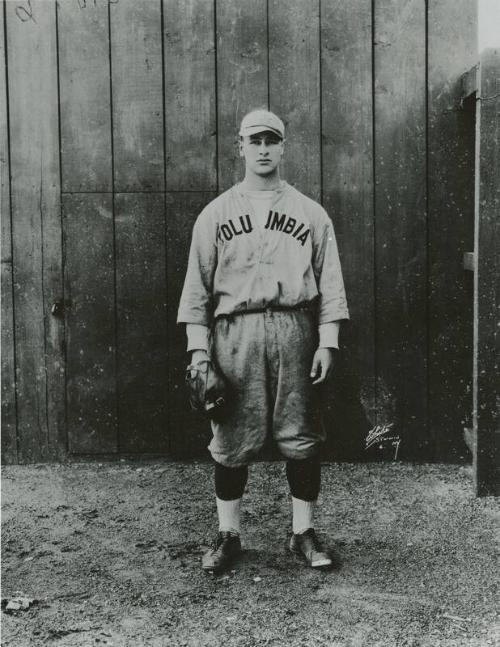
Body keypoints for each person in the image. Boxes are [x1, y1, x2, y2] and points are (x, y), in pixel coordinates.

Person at [177, 109, 349, 572]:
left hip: (295, 328)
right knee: (231, 436)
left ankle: (303, 533)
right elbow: (197, 290)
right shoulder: (215, 214)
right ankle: (228, 534)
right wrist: (199, 353)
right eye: (254, 141)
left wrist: (327, 339)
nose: (264, 149)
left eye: (272, 140)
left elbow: (329, 282)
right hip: (236, 332)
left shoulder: (310, 213)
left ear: (284, 146)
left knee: (301, 435)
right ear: (241, 147)